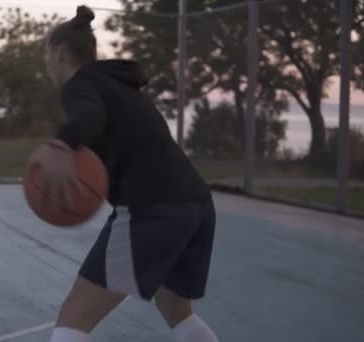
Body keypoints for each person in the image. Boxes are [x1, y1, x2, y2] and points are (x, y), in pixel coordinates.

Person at [29, 5, 219, 342]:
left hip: (153, 207)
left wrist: (61, 145)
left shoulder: (80, 86)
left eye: (47, 56)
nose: (47, 66)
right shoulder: (120, 87)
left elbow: (89, 117)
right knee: (176, 309)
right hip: (197, 206)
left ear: (59, 53)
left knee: (73, 318)